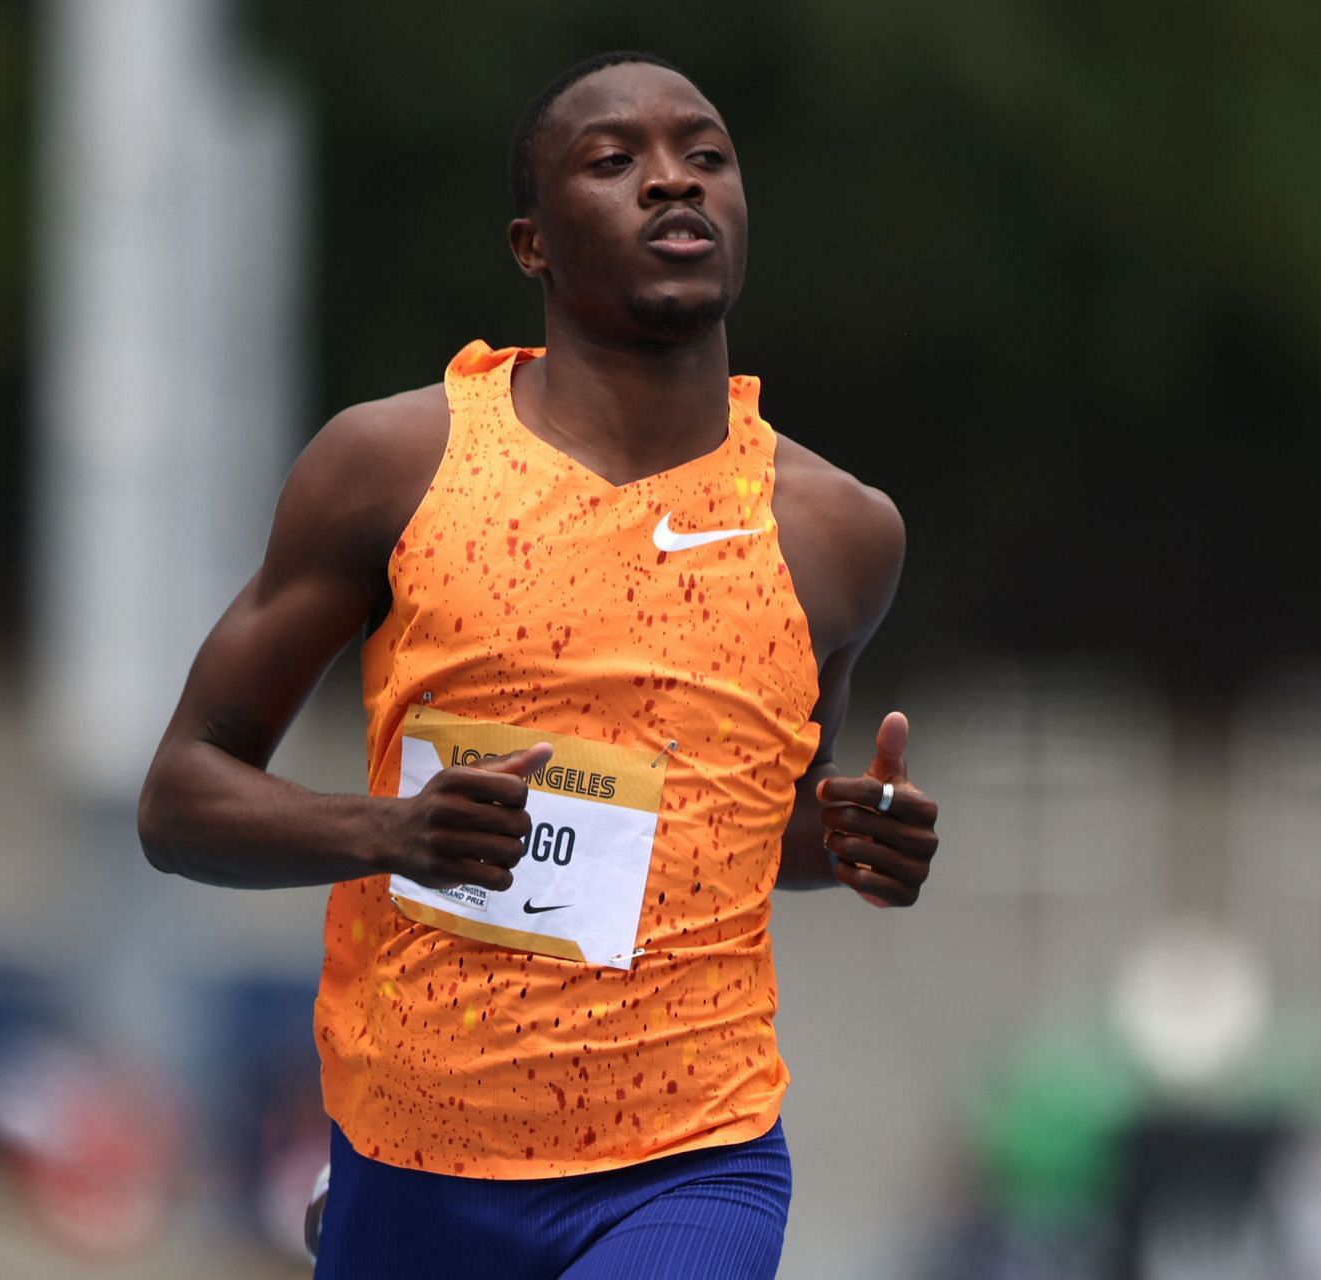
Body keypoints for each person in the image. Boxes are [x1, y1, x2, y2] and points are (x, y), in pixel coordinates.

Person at [137, 49, 941, 1279]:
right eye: (615, 162)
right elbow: (180, 797)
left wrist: (849, 842)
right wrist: (390, 833)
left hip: (692, 1153)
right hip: (415, 1150)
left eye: (706, 157)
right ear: (532, 246)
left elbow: (743, 837)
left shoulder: (836, 530)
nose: (673, 183)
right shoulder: (390, 466)